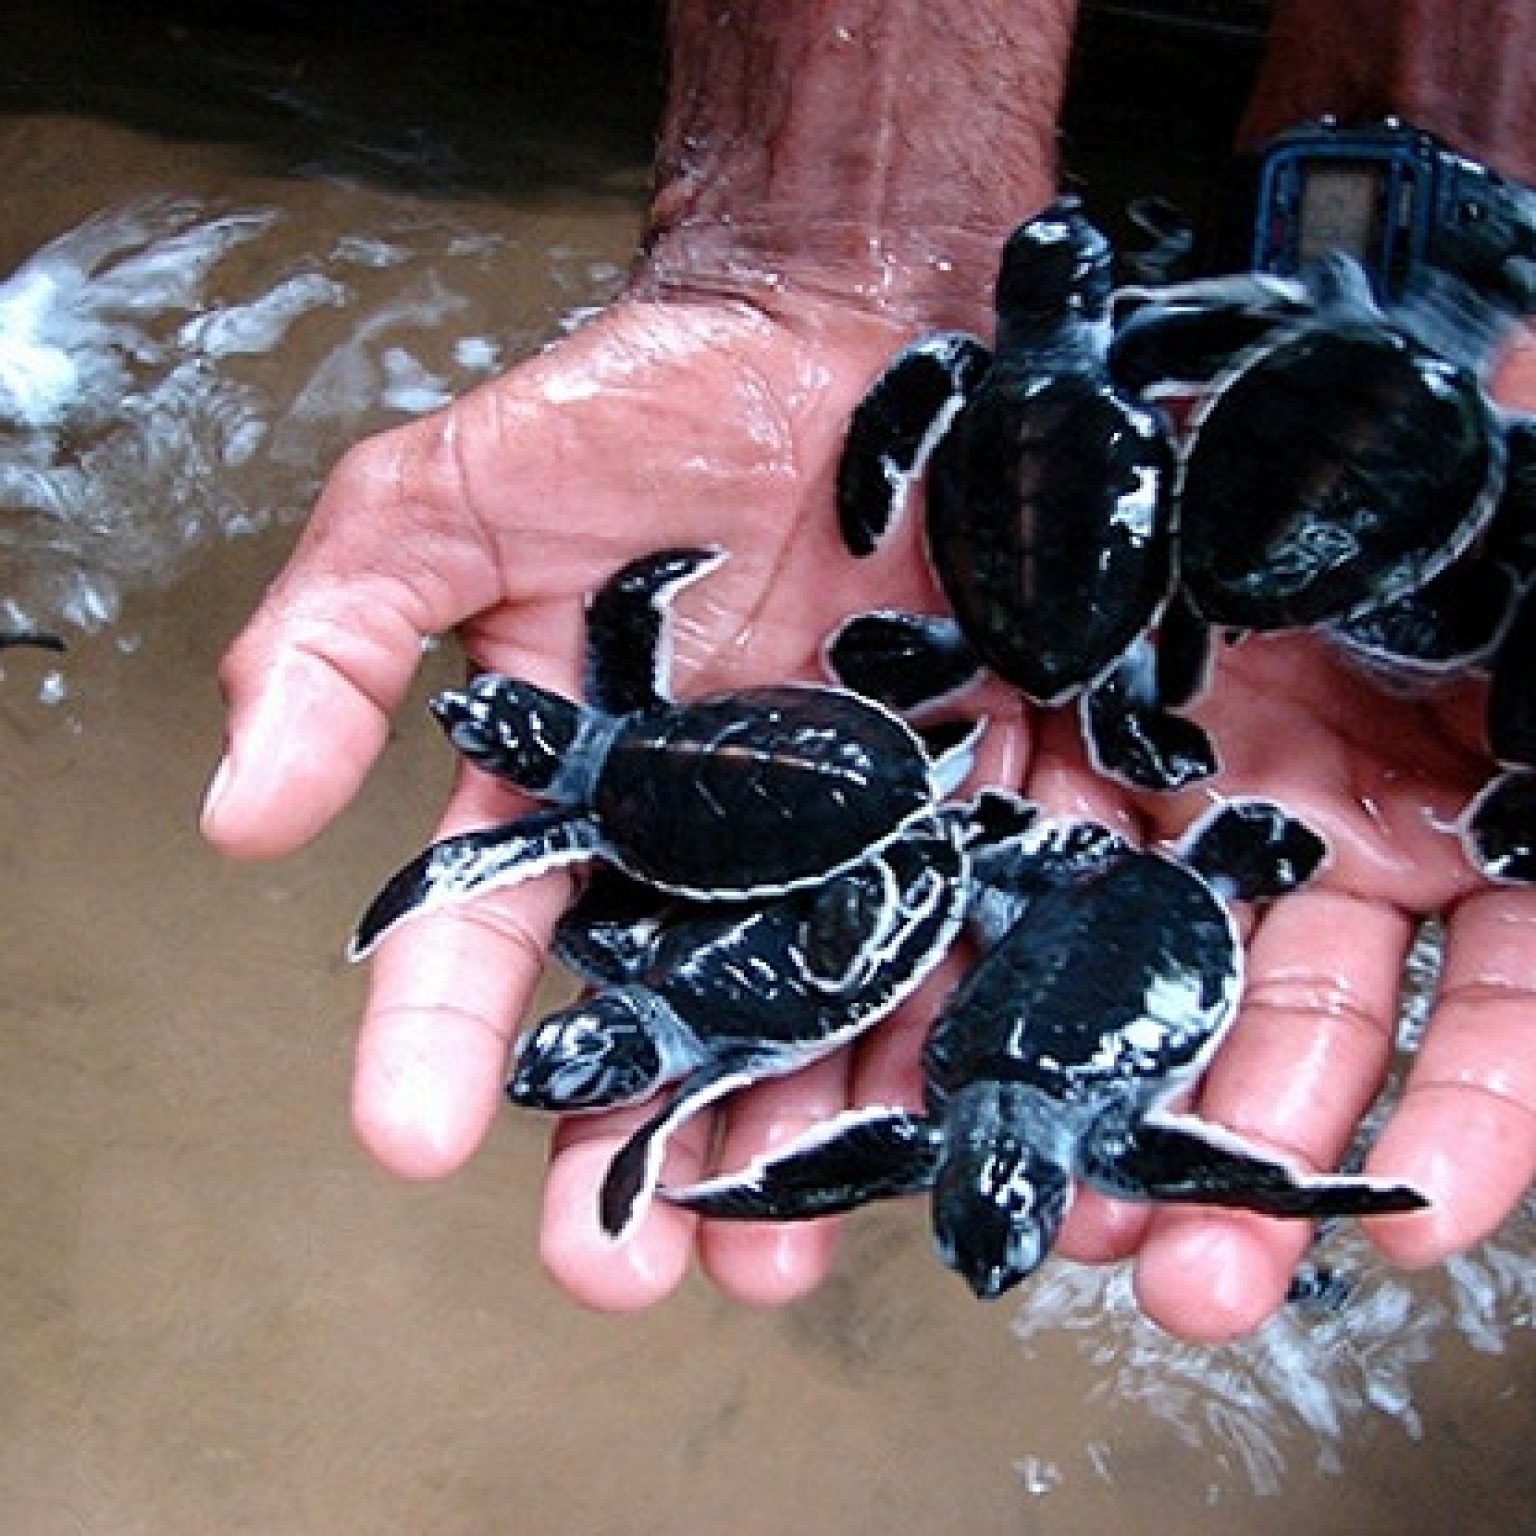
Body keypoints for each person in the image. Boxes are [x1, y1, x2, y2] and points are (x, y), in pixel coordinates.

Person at [201, 0, 1536, 1339]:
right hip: (1004, 709)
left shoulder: (691, 894)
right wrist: (832, 249)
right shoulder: (1122, 368)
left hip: (983, 701)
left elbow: (1124, 387)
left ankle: (1097, 754)